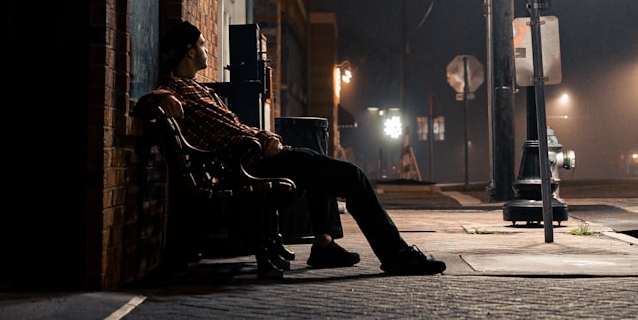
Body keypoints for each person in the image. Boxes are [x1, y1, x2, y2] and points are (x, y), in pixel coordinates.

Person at [153, 20, 446, 276]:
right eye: (203, 45)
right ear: (190, 51)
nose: (207, 50)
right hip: (248, 166)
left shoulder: (199, 89)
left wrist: (264, 135)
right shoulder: (176, 90)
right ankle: (396, 255)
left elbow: (232, 127)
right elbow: (154, 97)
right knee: (352, 177)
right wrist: (156, 98)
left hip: (252, 157)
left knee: (319, 166)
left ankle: (324, 245)